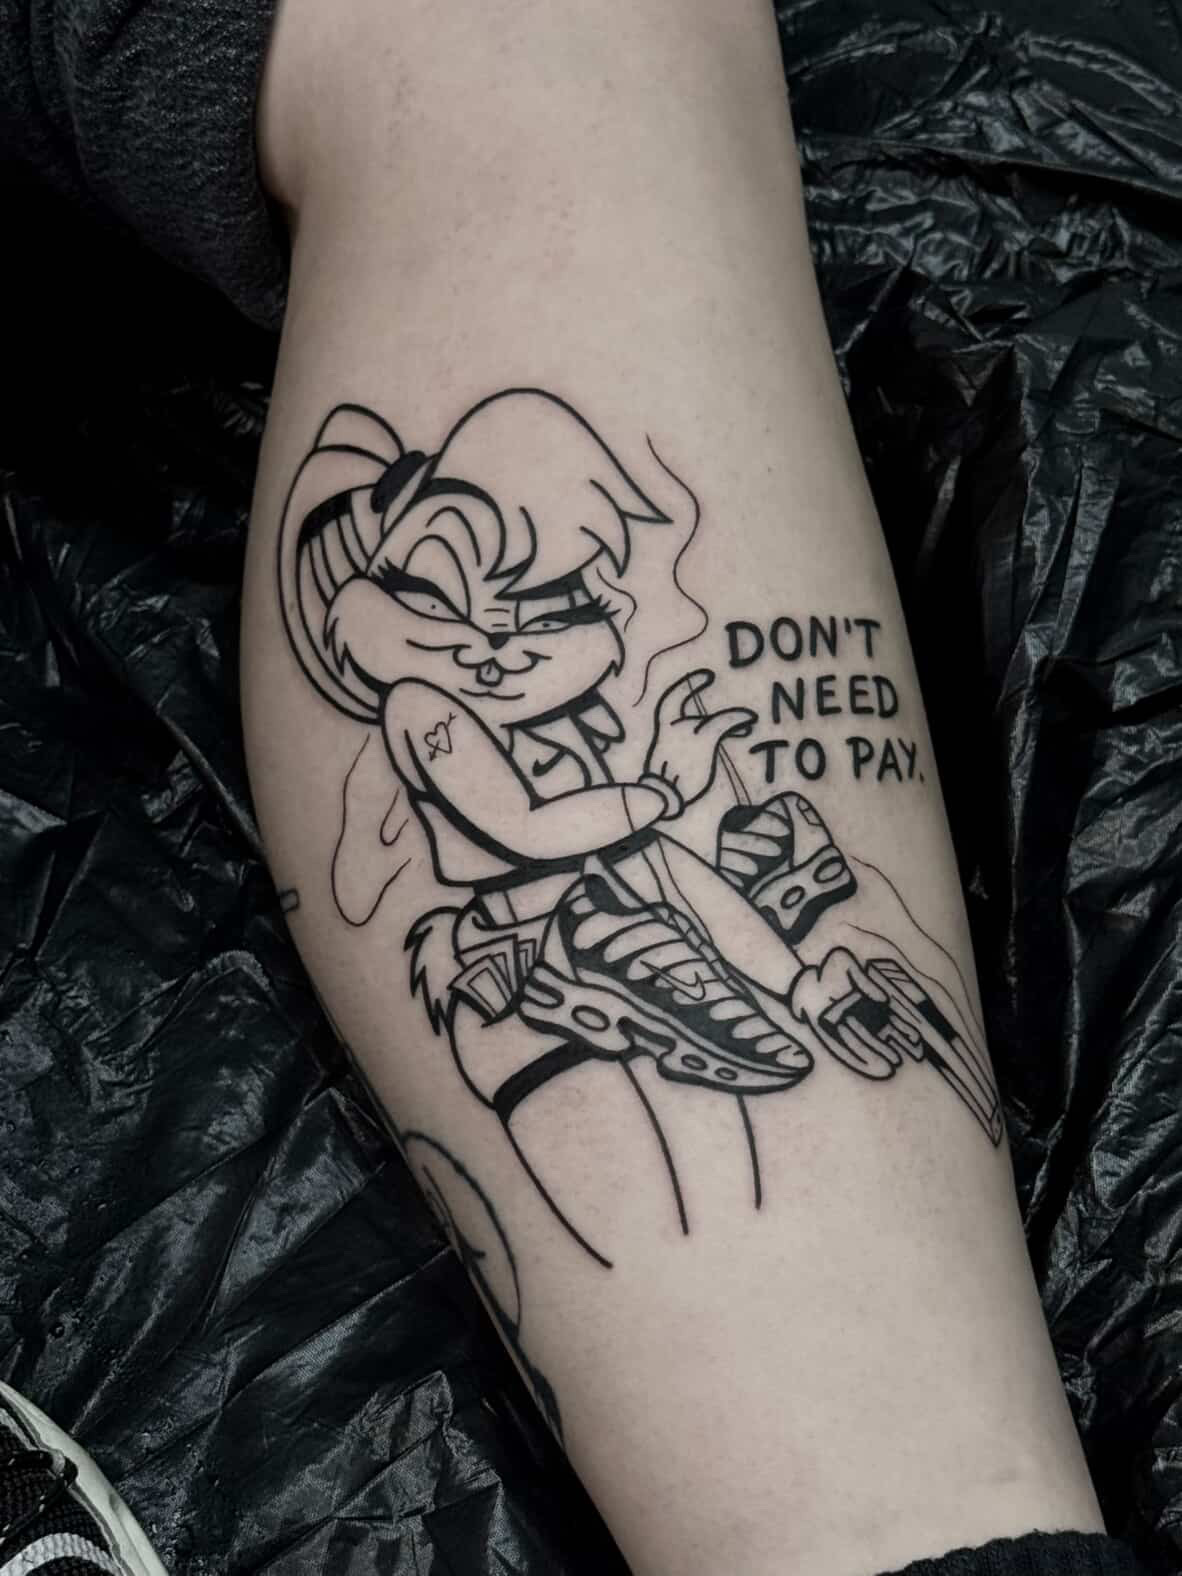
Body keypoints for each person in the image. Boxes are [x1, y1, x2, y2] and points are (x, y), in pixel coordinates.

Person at [0, 1, 1153, 1572]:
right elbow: (527, 827)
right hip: (534, 921)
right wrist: (642, 800)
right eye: (554, 605)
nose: (597, 635)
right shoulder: (436, 719)